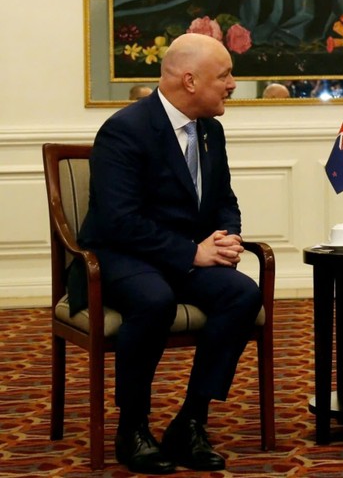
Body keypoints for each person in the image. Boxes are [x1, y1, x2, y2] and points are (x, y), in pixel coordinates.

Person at [78, 33, 263, 474]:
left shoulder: (210, 131)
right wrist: (191, 252)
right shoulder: (126, 130)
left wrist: (226, 238)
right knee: (154, 300)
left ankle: (191, 420)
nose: (233, 84)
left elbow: (224, 200)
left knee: (241, 294)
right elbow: (119, 220)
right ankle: (133, 427)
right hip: (121, 257)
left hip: (184, 256)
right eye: (224, 75)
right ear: (190, 80)